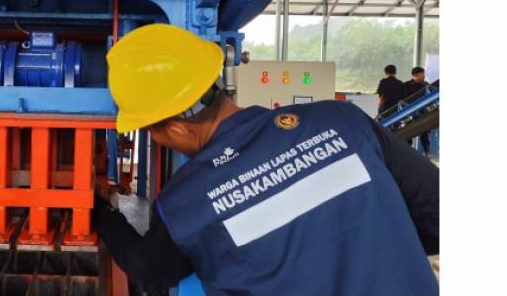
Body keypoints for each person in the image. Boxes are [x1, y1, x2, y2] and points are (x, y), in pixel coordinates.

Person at [96, 24, 438, 296]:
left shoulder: (185, 204)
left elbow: (149, 270)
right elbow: (438, 213)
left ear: (176, 128)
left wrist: (100, 213)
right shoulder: (343, 120)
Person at [403, 67, 431, 155]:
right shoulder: (406, 85)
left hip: (423, 112)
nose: (424, 75)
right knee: (408, 134)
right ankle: (408, 153)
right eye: (422, 74)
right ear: (417, 74)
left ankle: (426, 153)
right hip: (409, 113)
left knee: (424, 134)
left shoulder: (426, 85)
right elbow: (403, 99)